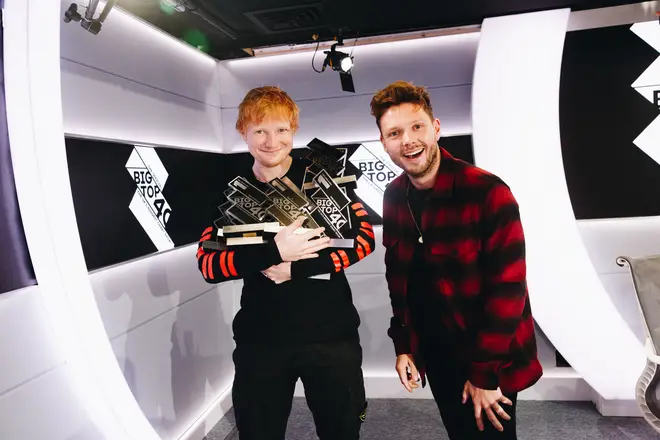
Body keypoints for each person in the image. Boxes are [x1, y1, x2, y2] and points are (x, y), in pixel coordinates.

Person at [196, 86, 375, 440]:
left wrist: (295, 268)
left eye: (281, 130)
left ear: (293, 130)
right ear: (242, 132)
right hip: (261, 341)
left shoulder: (324, 176)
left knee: (341, 431)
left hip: (330, 339)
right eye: (259, 130)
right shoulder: (228, 191)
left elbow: (364, 238)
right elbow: (208, 265)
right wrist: (275, 251)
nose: (271, 141)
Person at [371, 80, 543, 439]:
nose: (408, 140)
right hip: (435, 351)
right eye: (394, 133)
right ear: (384, 143)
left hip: (486, 354)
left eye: (417, 126)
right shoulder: (392, 196)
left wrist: (484, 373)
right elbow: (397, 277)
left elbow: (509, 291)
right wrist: (404, 345)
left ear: (435, 129)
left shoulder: (487, 192)